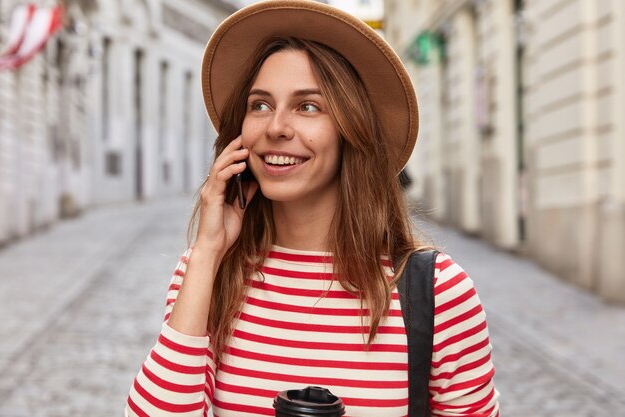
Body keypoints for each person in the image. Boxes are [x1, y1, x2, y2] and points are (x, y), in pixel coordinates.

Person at [125, 1, 500, 416]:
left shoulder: (435, 292)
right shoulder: (209, 274)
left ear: (351, 130)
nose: (276, 127)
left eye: (307, 106)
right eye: (260, 105)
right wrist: (208, 252)